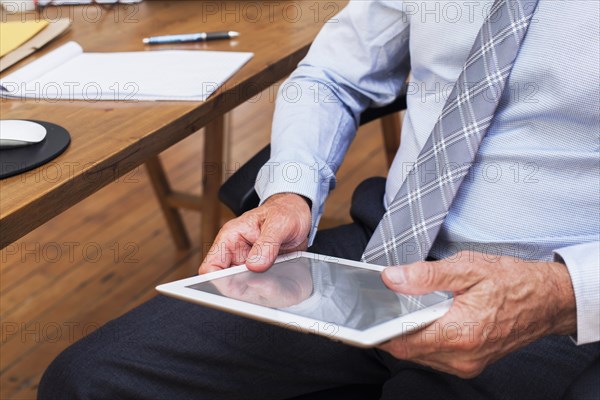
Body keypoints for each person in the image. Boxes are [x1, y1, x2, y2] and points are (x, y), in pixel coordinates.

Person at [39, 1, 599, 399]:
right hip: (382, 256)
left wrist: (562, 294)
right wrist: (289, 192)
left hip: (549, 304)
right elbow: (331, 74)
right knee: (90, 379)